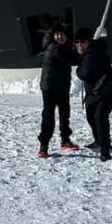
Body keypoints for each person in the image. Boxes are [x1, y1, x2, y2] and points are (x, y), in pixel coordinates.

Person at [74, 26, 112, 162]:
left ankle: (105, 149)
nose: (79, 45)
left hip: (106, 92)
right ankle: (98, 141)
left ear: (89, 42)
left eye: (82, 42)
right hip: (96, 92)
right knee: (91, 115)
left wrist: (78, 69)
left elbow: (85, 74)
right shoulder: (92, 52)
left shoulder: (91, 55)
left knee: (99, 117)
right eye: (77, 42)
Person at [37, 23, 79, 158]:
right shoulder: (53, 47)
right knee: (49, 116)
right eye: (57, 34)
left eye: (62, 34)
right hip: (50, 87)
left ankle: (65, 140)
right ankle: (43, 146)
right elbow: (70, 59)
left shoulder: (63, 48)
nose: (60, 37)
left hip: (62, 86)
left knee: (64, 113)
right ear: (53, 36)